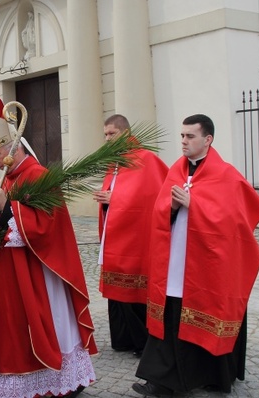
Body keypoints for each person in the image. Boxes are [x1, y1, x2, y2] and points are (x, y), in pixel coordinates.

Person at [132, 114, 259, 397]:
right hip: (175, 259)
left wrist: (196, 205)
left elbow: (237, 222)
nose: (183, 141)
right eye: (182, 136)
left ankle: (210, 376)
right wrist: (169, 207)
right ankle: (162, 381)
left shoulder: (226, 174)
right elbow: (158, 210)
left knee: (202, 315)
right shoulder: (175, 170)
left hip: (206, 264)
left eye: (190, 136)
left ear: (208, 139)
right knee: (172, 317)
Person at [0, 101, 97, 398]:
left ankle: (56, 379)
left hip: (38, 274)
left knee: (43, 325)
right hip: (10, 274)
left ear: (13, 148)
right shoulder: (9, 178)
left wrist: (7, 207)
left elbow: (46, 227)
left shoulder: (38, 175)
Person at [93, 114, 168, 357]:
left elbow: (152, 197)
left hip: (136, 239)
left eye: (112, 133)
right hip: (115, 235)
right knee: (117, 292)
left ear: (125, 132)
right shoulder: (114, 161)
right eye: (105, 134)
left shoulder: (146, 159)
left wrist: (115, 199)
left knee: (134, 292)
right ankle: (123, 339)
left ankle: (142, 342)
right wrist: (107, 201)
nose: (107, 138)